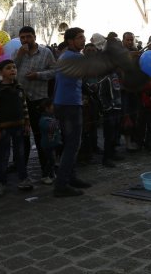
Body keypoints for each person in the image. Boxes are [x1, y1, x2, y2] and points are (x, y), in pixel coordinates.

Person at [52, 27, 93, 197]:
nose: (83, 40)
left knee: (71, 143)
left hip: (66, 102)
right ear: (70, 41)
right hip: (69, 105)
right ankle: (61, 184)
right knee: (72, 144)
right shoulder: (73, 57)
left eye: (83, 37)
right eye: (79, 37)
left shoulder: (67, 55)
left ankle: (71, 177)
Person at [13, 26, 56, 184]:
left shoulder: (46, 53)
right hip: (22, 100)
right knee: (22, 137)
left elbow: (54, 71)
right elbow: (10, 69)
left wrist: (39, 75)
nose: (25, 40)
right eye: (22, 37)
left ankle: (47, 171)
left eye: (28, 37)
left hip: (39, 99)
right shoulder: (18, 54)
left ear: (34, 37)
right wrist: (18, 56)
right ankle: (22, 174)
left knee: (42, 136)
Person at [0, 59, 33, 197]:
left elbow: (24, 106)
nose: (13, 70)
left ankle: (23, 178)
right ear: (1, 72)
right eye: (8, 68)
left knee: (20, 154)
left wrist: (27, 123)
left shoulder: (19, 88)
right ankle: (1, 182)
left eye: (14, 67)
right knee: (4, 156)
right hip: (4, 129)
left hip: (19, 127)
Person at [37, 100, 63, 179]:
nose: (54, 107)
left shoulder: (52, 116)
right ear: (46, 108)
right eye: (52, 106)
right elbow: (50, 128)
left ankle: (52, 174)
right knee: (51, 160)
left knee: (54, 160)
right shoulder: (43, 119)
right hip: (48, 144)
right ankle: (45, 176)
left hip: (55, 142)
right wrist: (59, 121)